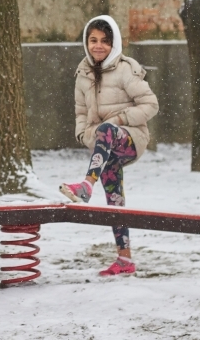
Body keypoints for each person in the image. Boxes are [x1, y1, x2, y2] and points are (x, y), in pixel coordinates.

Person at [60, 15, 159, 276]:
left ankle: (86, 185)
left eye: (105, 41)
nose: (98, 46)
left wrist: (120, 119)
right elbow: (81, 114)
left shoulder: (126, 69)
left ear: (113, 43)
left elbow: (151, 105)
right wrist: (84, 136)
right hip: (103, 146)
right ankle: (124, 259)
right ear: (86, 42)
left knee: (107, 129)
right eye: (93, 40)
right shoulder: (82, 74)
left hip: (131, 138)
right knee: (114, 199)